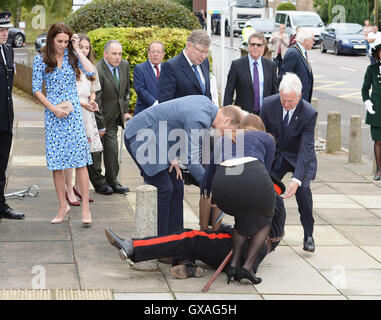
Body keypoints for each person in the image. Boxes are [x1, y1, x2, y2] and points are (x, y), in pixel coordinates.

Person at [124, 95, 244, 236]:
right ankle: (161, 245)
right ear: (228, 120)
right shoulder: (200, 119)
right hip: (141, 135)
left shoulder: (206, 105)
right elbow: (192, 161)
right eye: (231, 130)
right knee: (164, 188)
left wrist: (173, 156)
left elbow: (175, 123)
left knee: (177, 185)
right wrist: (210, 187)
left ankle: (176, 239)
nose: (227, 135)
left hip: (159, 140)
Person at [103, 189, 285, 281]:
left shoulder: (268, 194)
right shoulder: (272, 198)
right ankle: (187, 265)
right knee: (193, 240)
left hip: (243, 247)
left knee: (188, 238)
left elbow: (254, 225)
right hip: (248, 252)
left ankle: (133, 247)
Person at [200, 114, 276, 285]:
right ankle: (247, 267)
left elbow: (209, 171)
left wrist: (208, 192)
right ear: (260, 128)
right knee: (266, 216)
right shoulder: (267, 138)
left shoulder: (224, 138)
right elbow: (266, 170)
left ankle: (233, 265)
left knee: (243, 215)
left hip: (222, 186)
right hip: (253, 177)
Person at [32, 23, 94, 225]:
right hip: (53, 116)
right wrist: (52, 108)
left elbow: (91, 70)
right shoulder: (40, 59)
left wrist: (76, 48)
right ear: (51, 40)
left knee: (80, 162)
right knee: (57, 164)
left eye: (66, 41)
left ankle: (85, 206)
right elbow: (36, 90)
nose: (62, 45)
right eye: (59, 41)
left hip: (73, 114)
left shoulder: (72, 56)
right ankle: (62, 206)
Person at [260, 72, 317, 253]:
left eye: (290, 101)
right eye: (283, 100)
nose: (285, 104)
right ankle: (265, 231)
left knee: (304, 190)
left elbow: (306, 148)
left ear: (299, 96)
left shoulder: (309, 113)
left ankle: (308, 234)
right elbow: (261, 136)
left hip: (298, 155)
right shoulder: (268, 104)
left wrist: (297, 179)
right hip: (276, 155)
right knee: (265, 187)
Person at [88, 40, 131, 195]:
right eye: (114, 54)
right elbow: (96, 100)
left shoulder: (124, 65)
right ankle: (99, 183)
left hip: (114, 118)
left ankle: (113, 181)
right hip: (97, 119)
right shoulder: (97, 70)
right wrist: (100, 125)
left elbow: (126, 91)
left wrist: (125, 111)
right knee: (96, 153)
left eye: (119, 53)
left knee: (112, 150)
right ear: (105, 54)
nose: (117, 57)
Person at [64, 33, 102, 206]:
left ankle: (79, 187)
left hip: (87, 111)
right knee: (71, 152)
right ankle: (68, 188)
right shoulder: (70, 66)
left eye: (87, 48)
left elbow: (93, 89)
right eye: (81, 47)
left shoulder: (90, 67)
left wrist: (92, 100)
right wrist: (82, 103)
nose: (84, 51)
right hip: (74, 109)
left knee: (84, 152)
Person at [0, 11, 25, 220]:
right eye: (0, 30)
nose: (4, 33)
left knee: (1, 165)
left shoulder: (8, 51)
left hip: (6, 118)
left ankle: (1, 204)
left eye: (6, 30)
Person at [223, 32, 278, 115]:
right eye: (253, 44)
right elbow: (229, 93)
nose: (255, 47)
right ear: (248, 46)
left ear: (263, 47)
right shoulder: (237, 65)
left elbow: (275, 93)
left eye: (258, 45)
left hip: (265, 115)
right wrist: (227, 115)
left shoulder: (271, 66)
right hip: (243, 115)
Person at [158, 30, 212, 103]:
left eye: (206, 52)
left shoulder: (205, 62)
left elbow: (207, 93)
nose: (204, 56)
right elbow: (165, 103)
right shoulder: (171, 66)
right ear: (189, 45)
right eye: (201, 51)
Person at [279, 28, 314, 103]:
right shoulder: (293, 53)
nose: (314, 42)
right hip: (294, 100)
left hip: (302, 98)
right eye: (312, 39)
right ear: (305, 40)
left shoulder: (302, 52)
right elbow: (284, 76)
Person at [362, 43, 381, 180]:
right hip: (377, 109)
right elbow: (365, 89)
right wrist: (367, 102)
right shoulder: (372, 69)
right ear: (377, 54)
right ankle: (379, 170)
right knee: (378, 141)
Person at [133, 41, 165, 115]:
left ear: (163, 54)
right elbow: (140, 89)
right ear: (148, 53)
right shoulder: (140, 68)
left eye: (158, 52)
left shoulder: (167, 68)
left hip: (164, 111)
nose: (155, 54)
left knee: (162, 126)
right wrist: (155, 103)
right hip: (144, 111)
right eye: (153, 52)